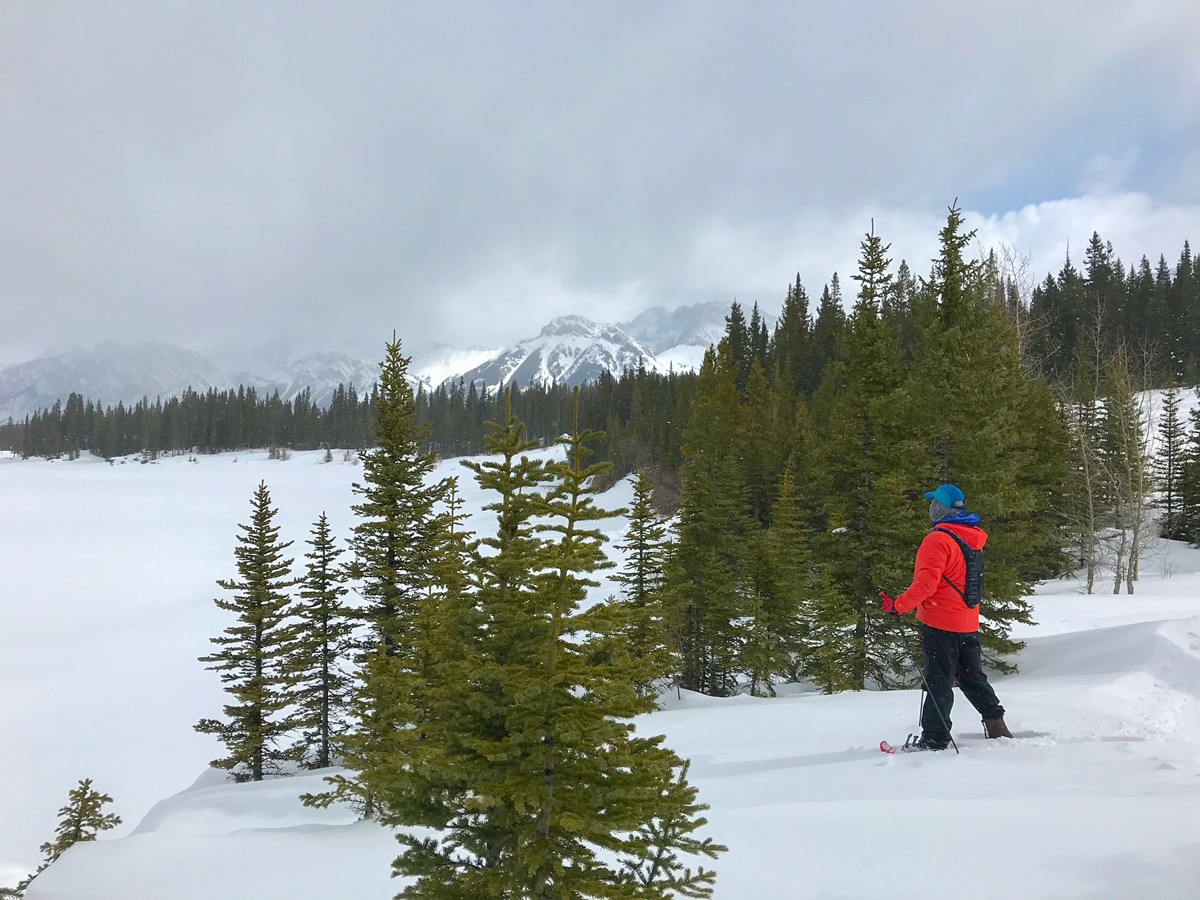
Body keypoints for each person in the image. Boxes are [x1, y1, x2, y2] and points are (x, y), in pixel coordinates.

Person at [880, 483, 1012, 750]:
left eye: (933, 503)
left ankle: (935, 737)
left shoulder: (937, 539)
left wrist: (898, 606)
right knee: (971, 676)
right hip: (967, 621)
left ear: (939, 508)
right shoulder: (971, 537)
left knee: (938, 680)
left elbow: (926, 585)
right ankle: (996, 723)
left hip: (940, 621)